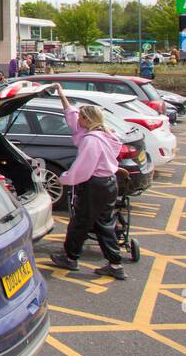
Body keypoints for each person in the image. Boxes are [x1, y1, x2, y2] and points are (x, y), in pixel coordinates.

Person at [48, 86, 128, 281]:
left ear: (87, 120)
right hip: (109, 184)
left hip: (94, 186)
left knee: (80, 222)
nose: (78, 121)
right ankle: (115, 264)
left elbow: (83, 168)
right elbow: (72, 116)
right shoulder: (106, 135)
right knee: (103, 223)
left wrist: (65, 178)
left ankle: (70, 257)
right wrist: (60, 93)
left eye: (81, 118)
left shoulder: (91, 140)